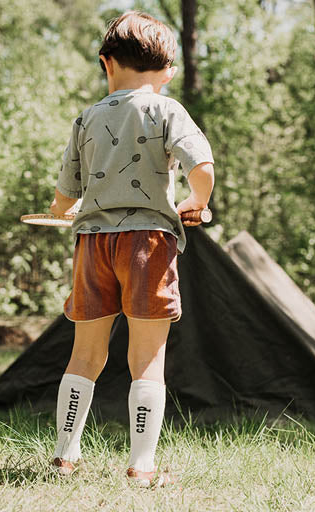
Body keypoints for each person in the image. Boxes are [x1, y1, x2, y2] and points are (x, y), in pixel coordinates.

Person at [49, 10, 214, 487]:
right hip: (149, 244)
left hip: (93, 244)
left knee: (85, 355)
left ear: (106, 64)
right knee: (146, 360)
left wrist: (64, 210)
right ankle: (141, 467)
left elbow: (64, 198)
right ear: (167, 73)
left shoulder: (87, 118)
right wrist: (195, 201)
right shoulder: (167, 109)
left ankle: (65, 456)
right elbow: (200, 165)